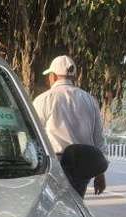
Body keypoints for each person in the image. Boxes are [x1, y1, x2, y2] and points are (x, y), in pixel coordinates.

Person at [32, 55, 107, 195]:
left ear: (53, 76)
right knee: (75, 206)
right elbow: (98, 139)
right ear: (74, 77)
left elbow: (32, 137)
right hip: (83, 169)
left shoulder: (44, 100)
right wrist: (100, 174)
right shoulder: (90, 100)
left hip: (54, 167)